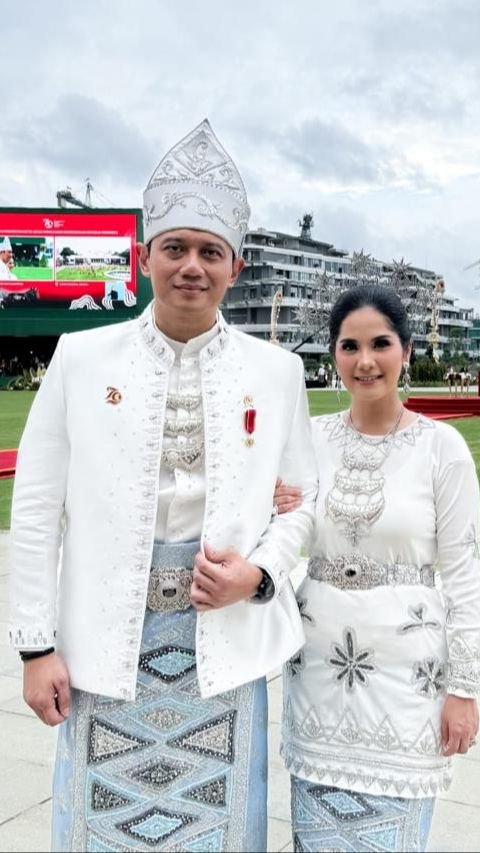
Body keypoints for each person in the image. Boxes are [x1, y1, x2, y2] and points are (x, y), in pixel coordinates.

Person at [8, 119, 317, 853]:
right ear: (145, 255)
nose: (191, 266)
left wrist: (260, 575)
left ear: (235, 267)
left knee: (219, 826)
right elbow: (36, 508)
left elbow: (305, 504)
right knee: (101, 827)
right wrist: (33, 649)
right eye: (174, 247)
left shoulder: (276, 372)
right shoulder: (79, 357)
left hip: (225, 645)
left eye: (210, 251)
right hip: (104, 645)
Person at [274, 284, 480, 852]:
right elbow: (279, 532)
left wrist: (465, 689)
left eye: (380, 344)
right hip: (316, 677)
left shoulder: (442, 449)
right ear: (334, 354)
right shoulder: (307, 441)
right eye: (349, 346)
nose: (365, 361)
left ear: (406, 350)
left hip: (408, 684)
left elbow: (466, 575)